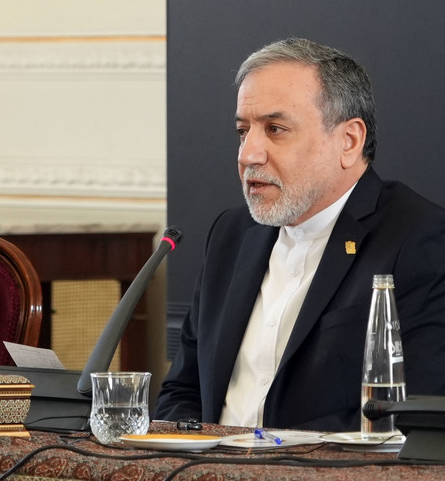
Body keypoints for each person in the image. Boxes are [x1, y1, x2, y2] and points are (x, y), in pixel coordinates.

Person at [155, 38, 445, 431]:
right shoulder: (231, 235)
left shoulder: (420, 240)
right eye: (243, 131)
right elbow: (182, 391)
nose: (248, 154)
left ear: (349, 141)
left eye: (275, 129)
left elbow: (406, 415)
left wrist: (272, 458)